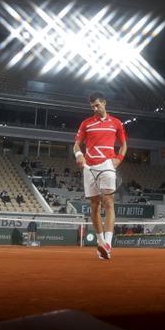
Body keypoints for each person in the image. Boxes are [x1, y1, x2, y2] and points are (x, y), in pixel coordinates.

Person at [72, 92, 127, 261]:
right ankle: (101, 242)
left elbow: (124, 145)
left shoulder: (116, 123)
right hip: (89, 167)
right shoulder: (86, 123)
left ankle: (108, 244)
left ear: (104, 103)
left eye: (97, 105)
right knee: (94, 206)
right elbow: (76, 145)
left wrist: (118, 160)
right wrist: (79, 155)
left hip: (107, 165)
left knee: (108, 202)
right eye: (92, 107)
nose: (95, 108)